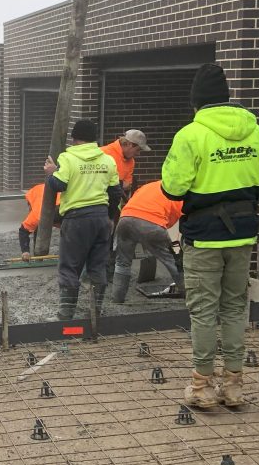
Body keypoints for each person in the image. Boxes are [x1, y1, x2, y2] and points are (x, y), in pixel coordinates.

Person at [161, 63, 259, 410]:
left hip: (204, 237)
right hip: (242, 236)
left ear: (196, 103)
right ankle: (234, 385)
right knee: (234, 308)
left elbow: (173, 187)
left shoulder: (191, 135)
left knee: (203, 312)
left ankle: (201, 387)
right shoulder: (255, 131)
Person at [43, 119, 120, 318]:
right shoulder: (108, 160)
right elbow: (115, 192)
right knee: (97, 265)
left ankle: (66, 312)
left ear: (74, 138)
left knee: (70, 265)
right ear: (95, 139)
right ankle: (96, 310)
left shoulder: (68, 158)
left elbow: (59, 185)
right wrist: (111, 218)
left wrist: (52, 173)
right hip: (102, 218)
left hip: (76, 219)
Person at [109, 181, 184, 302]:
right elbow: (175, 227)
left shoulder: (148, 186)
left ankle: (117, 299)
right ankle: (186, 291)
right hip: (152, 224)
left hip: (125, 219)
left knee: (122, 262)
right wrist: (177, 250)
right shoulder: (177, 194)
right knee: (172, 260)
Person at [100, 129, 150, 201]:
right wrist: (121, 185)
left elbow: (127, 185)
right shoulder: (103, 153)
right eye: (138, 150)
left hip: (114, 204)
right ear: (129, 144)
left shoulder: (131, 161)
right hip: (99, 202)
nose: (138, 154)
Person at [18, 183, 63, 262]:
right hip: (35, 194)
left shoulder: (68, 211)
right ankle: (39, 256)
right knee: (39, 226)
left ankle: (39, 255)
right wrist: (25, 251)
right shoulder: (38, 215)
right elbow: (23, 231)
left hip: (54, 194)